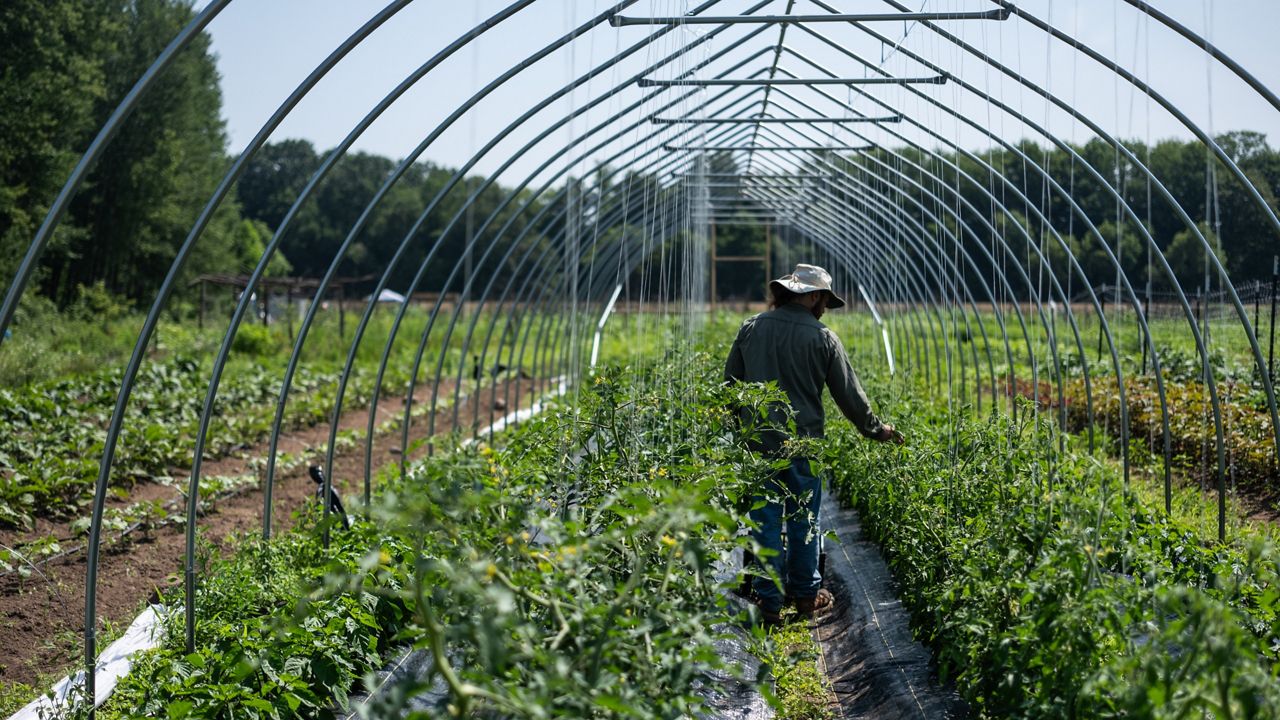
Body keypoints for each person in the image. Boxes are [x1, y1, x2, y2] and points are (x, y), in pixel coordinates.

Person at [724, 263, 903, 624]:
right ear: (815, 296)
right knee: (805, 519)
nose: (824, 306)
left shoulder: (752, 329)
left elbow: (730, 385)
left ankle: (769, 601)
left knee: (765, 520)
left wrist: (737, 427)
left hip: (759, 445)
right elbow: (848, 395)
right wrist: (875, 429)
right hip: (804, 445)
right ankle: (806, 596)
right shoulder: (823, 338)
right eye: (824, 298)